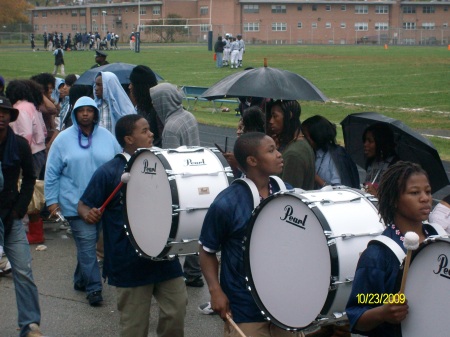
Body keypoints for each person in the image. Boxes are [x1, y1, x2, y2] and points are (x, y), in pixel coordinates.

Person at [78, 114, 187, 337]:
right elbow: (83, 204)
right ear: (129, 138)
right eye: (145, 130)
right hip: (129, 261)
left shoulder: (162, 165)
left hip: (164, 256)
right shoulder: (109, 172)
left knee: (176, 312)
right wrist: (87, 213)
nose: (151, 134)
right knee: (134, 329)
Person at [199, 132, 298, 337]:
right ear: (252, 161)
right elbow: (207, 250)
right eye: (271, 151)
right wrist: (215, 291)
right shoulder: (226, 203)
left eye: (276, 148)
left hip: (283, 304)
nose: (279, 155)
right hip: (245, 308)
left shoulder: (287, 193)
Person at [346, 161, 439, 337]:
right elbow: (357, 313)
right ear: (394, 200)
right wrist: (383, 312)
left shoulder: (438, 240)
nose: (425, 198)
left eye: (427, 191)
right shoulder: (377, 256)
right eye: (414, 192)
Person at [45, 96, 121, 306]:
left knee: (88, 243)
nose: (85, 114)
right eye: (81, 110)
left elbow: (119, 164)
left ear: (95, 113)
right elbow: (51, 172)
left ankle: (81, 279)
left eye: (90, 110)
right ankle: (94, 288)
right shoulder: (62, 139)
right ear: (75, 113)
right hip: (73, 203)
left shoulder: (107, 137)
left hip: (104, 203)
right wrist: (51, 201)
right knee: (88, 244)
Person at [0, 97, 48, 337]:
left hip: (11, 217)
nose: (0, 116)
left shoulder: (18, 145)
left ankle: (29, 324)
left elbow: (29, 178)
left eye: (4, 112)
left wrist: (20, 209)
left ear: (10, 117)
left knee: (23, 271)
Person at [150, 82, 204, 287]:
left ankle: (180, 269)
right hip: (197, 174)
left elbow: (171, 163)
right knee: (195, 227)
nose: (155, 106)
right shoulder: (187, 116)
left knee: (180, 226)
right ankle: (194, 271)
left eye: (156, 102)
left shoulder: (171, 127)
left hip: (182, 182)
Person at [267, 100, 315, 190]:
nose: (271, 121)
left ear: (289, 116)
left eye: (275, 116)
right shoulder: (301, 143)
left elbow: (288, 195)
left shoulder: (293, 154)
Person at [302, 115, 360, 189]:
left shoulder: (337, 155)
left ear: (316, 136)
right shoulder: (314, 153)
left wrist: (317, 179)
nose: (304, 140)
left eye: (306, 136)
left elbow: (340, 190)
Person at [128, 65, 163, 147]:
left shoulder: (157, 111)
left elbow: (161, 140)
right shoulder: (141, 107)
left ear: (140, 87)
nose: (129, 86)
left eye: (132, 83)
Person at [362, 123, 399, 196]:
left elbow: (395, 199)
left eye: (370, 141)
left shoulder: (395, 166)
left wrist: (377, 195)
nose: (365, 144)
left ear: (381, 143)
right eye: (365, 140)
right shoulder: (371, 162)